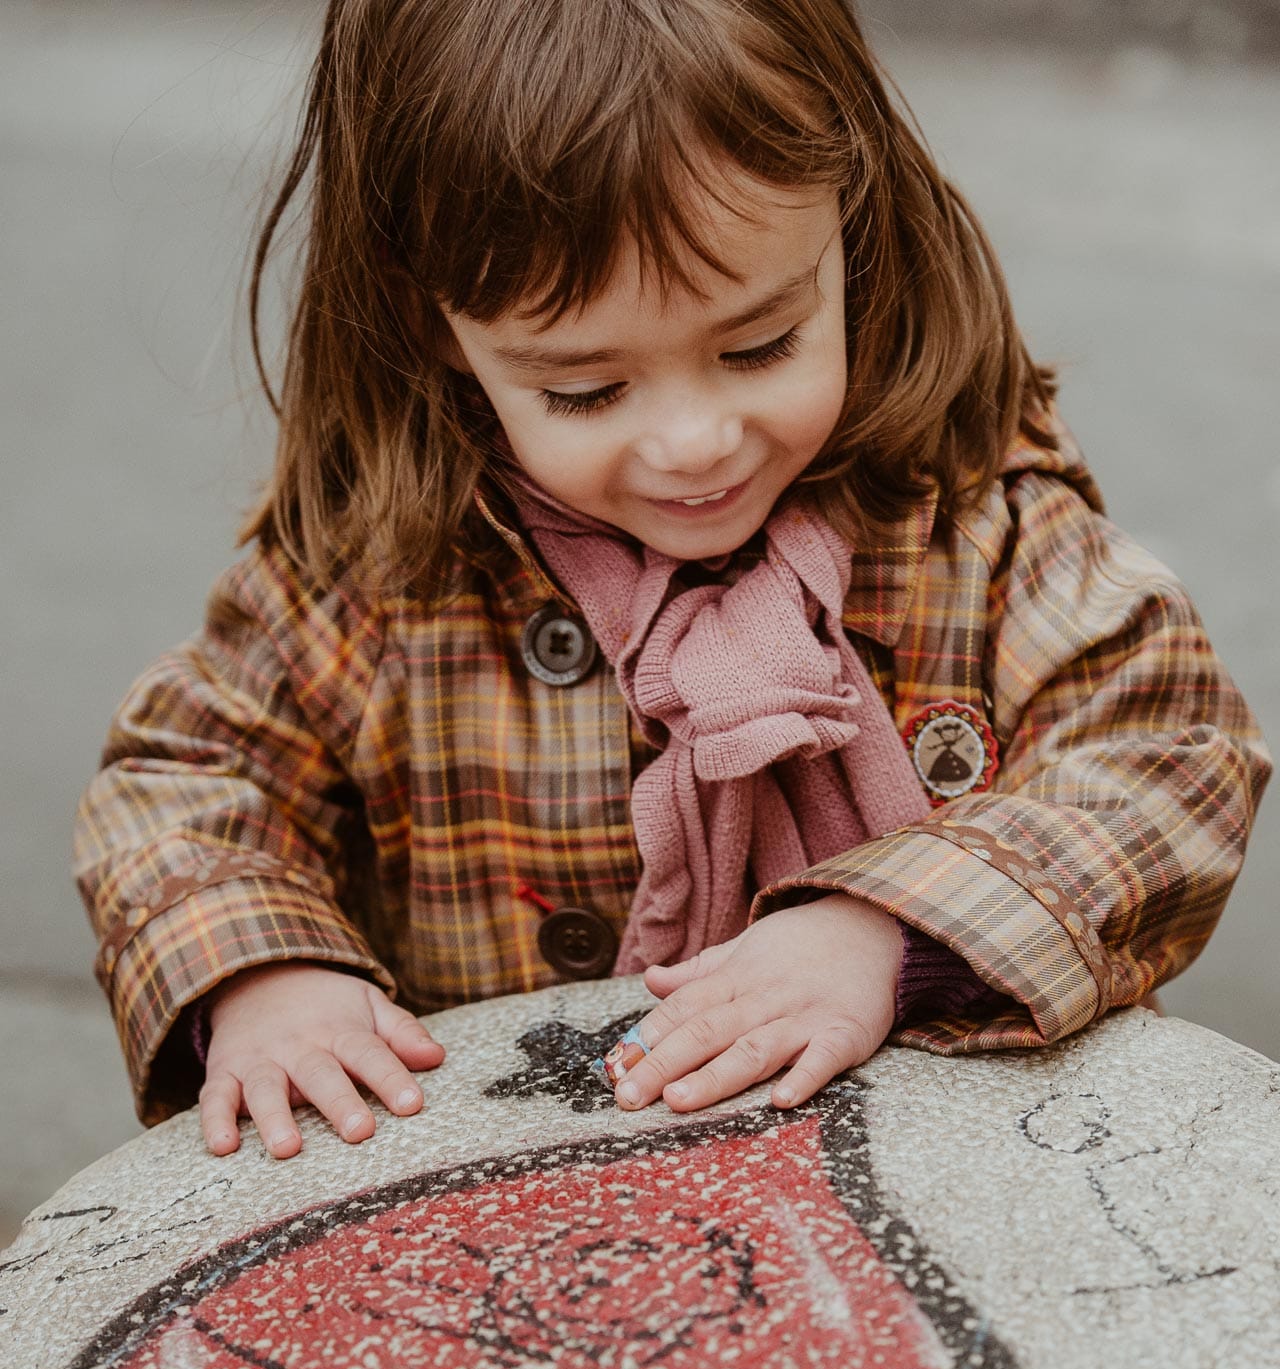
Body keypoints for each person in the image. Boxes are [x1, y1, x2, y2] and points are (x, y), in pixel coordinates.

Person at [75, 0, 1269, 1162]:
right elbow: (186, 782)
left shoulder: (976, 527)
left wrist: (889, 925)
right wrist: (266, 971)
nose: (693, 440)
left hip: (966, 1205)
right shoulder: (381, 577)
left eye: (756, 345)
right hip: (535, 1244)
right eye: (586, 390)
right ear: (432, 319)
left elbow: (1169, 748)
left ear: (845, 227)